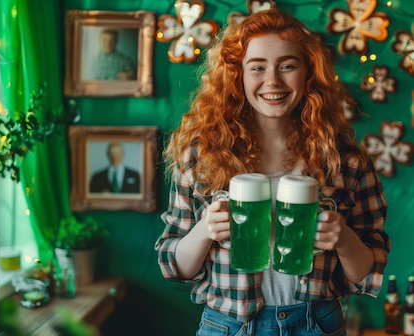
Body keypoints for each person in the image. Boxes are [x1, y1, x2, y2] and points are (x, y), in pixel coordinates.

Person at [154, 8, 390, 335]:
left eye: (287, 66)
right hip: (228, 324)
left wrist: (344, 239)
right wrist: (205, 229)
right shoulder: (202, 152)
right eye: (257, 67)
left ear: (308, 73)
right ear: (238, 75)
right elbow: (174, 265)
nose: (272, 81)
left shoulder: (344, 159)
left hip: (316, 323)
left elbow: (366, 270)